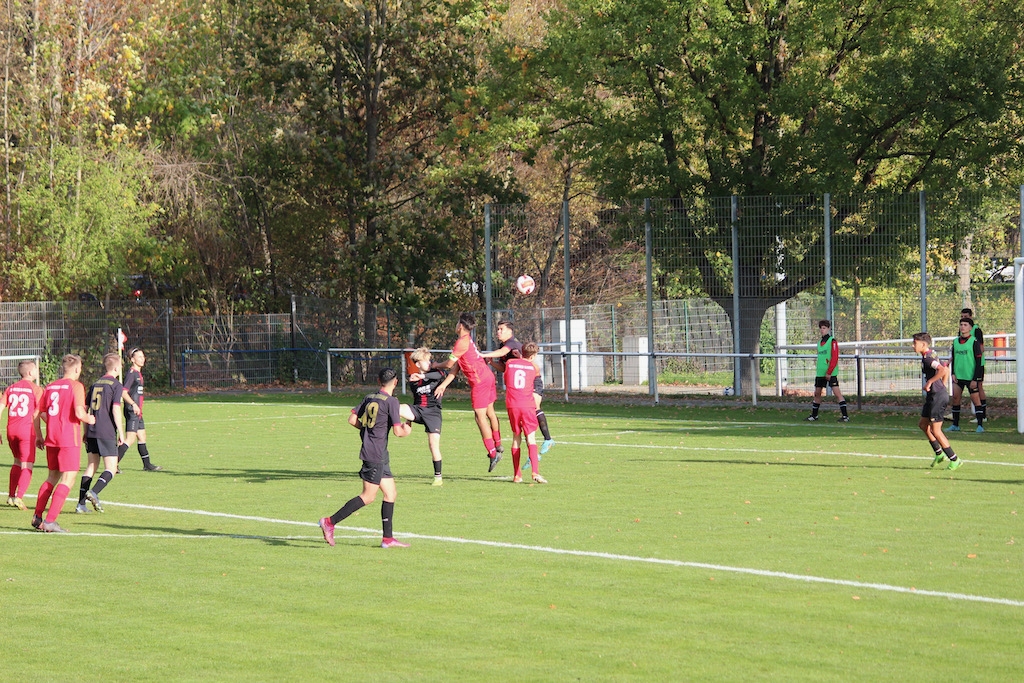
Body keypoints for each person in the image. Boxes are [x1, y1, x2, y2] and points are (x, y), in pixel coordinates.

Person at [319, 368, 413, 548]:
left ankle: (387, 539)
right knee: (368, 496)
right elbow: (398, 432)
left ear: (378, 381)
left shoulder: (370, 397)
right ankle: (329, 522)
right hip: (375, 455)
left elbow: (352, 419)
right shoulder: (392, 401)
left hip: (378, 453)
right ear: (395, 382)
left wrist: (367, 431)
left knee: (391, 493)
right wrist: (408, 428)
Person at [431, 312, 503, 472]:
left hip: (480, 381)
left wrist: (436, 365)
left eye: (458, 323)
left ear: (461, 326)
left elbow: (449, 364)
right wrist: (444, 385)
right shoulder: (468, 340)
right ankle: (498, 444)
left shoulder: (461, 342)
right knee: (490, 412)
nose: (456, 325)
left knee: (479, 417)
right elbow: (456, 367)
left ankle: (493, 453)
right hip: (487, 376)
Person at [32, 354, 96, 532]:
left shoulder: (50, 386)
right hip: (69, 439)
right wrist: (89, 419)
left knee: (52, 477)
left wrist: (39, 436)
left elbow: (37, 413)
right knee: (68, 478)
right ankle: (50, 521)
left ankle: (37, 517)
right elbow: (79, 412)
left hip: (52, 438)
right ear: (76, 368)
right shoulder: (76, 386)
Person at [76, 353, 132, 514]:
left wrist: (86, 430)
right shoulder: (116, 385)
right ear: (116, 368)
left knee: (91, 466)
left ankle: (80, 505)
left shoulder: (95, 384)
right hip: (106, 430)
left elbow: (86, 409)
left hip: (92, 430)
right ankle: (94, 492)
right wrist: (121, 432)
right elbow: (115, 409)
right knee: (111, 468)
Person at [401, 347, 454, 486]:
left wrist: (423, 376)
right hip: (418, 410)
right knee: (396, 407)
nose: (429, 363)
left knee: (433, 445)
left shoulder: (436, 372)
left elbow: (439, 376)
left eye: (429, 360)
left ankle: (438, 477)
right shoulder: (413, 380)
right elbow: (415, 399)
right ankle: (393, 427)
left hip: (433, 413)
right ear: (418, 364)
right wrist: (409, 420)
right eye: (426, 361)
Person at [912, 332, 962, 471]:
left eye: (915, 343)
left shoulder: (928, 358)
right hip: (933, 396)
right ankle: (939, 454)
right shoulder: (930, 355)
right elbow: (945, 369)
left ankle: (955, 459)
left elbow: (942, 369)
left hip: (937, 397)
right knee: (923, 425)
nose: (913, 346)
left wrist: (930, 382)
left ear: (923, 344)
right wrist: (942, 385)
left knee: (936, 430)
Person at [3, 360, 44, 510]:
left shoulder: (11, 388)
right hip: (26, 431)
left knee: (17, 462)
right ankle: (19, 497)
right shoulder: (36, 389)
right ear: (30, 372)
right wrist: (39, 435)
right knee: (27, 464)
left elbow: (0, 408)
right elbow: (37, 413)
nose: (37, 372)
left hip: (11, 431)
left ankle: (11, 496)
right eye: (36, 369)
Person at [504, 342, 546, 484]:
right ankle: (535, 472)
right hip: (527, 404)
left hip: (512, 404)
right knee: (531, 438)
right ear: (533, 356)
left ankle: (517, 475)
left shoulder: (510, 363)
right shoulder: (534, 367)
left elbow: (507, 380)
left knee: (516, 437)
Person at [118, 348, 162, 471]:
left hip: (138, 411)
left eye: (143, 356)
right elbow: (123, 392)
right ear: (132, 359)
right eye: (140, 357)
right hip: (132, 410)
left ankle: (147, 465)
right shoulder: (132, 373)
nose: (143, 359)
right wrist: (133, 404)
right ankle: (112, 464)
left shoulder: (138, 373)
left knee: (142, 437)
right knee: (130, 439)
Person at [805, 320, 849, 422]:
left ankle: (845, 416)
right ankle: (814, 415)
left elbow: (834, 357)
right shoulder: (819, 343)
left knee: (837, 393)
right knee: (817, 393)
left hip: (830, 372)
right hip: (820, 372)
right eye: (821, 328)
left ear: (828, 329)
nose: (822, 330)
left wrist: (829, 371)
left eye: (824, 328)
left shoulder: (832, 341)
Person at [946, 318, 984, 433]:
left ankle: (980, 425)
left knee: (975, 400)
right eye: (961, 324)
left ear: (970, 328)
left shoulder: (974, 342)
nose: (962, 327)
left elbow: (978, 361)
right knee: (956, 399)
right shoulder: (955, 342)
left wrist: (975, 379)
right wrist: (953, 373)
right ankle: (955, 425)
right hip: (958, 376)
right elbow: (954, 358)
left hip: (970, 377)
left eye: (965, 325)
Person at [960, 308, 987, 420]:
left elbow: (981, 348)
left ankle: (983, 415)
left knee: (978, 386)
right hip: (965, 365)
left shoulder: (976, 330)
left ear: (971, 317)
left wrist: (974, 356)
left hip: (976, 364)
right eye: (962, 317)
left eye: (966, 317)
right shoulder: (961, 330)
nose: (963, 319)